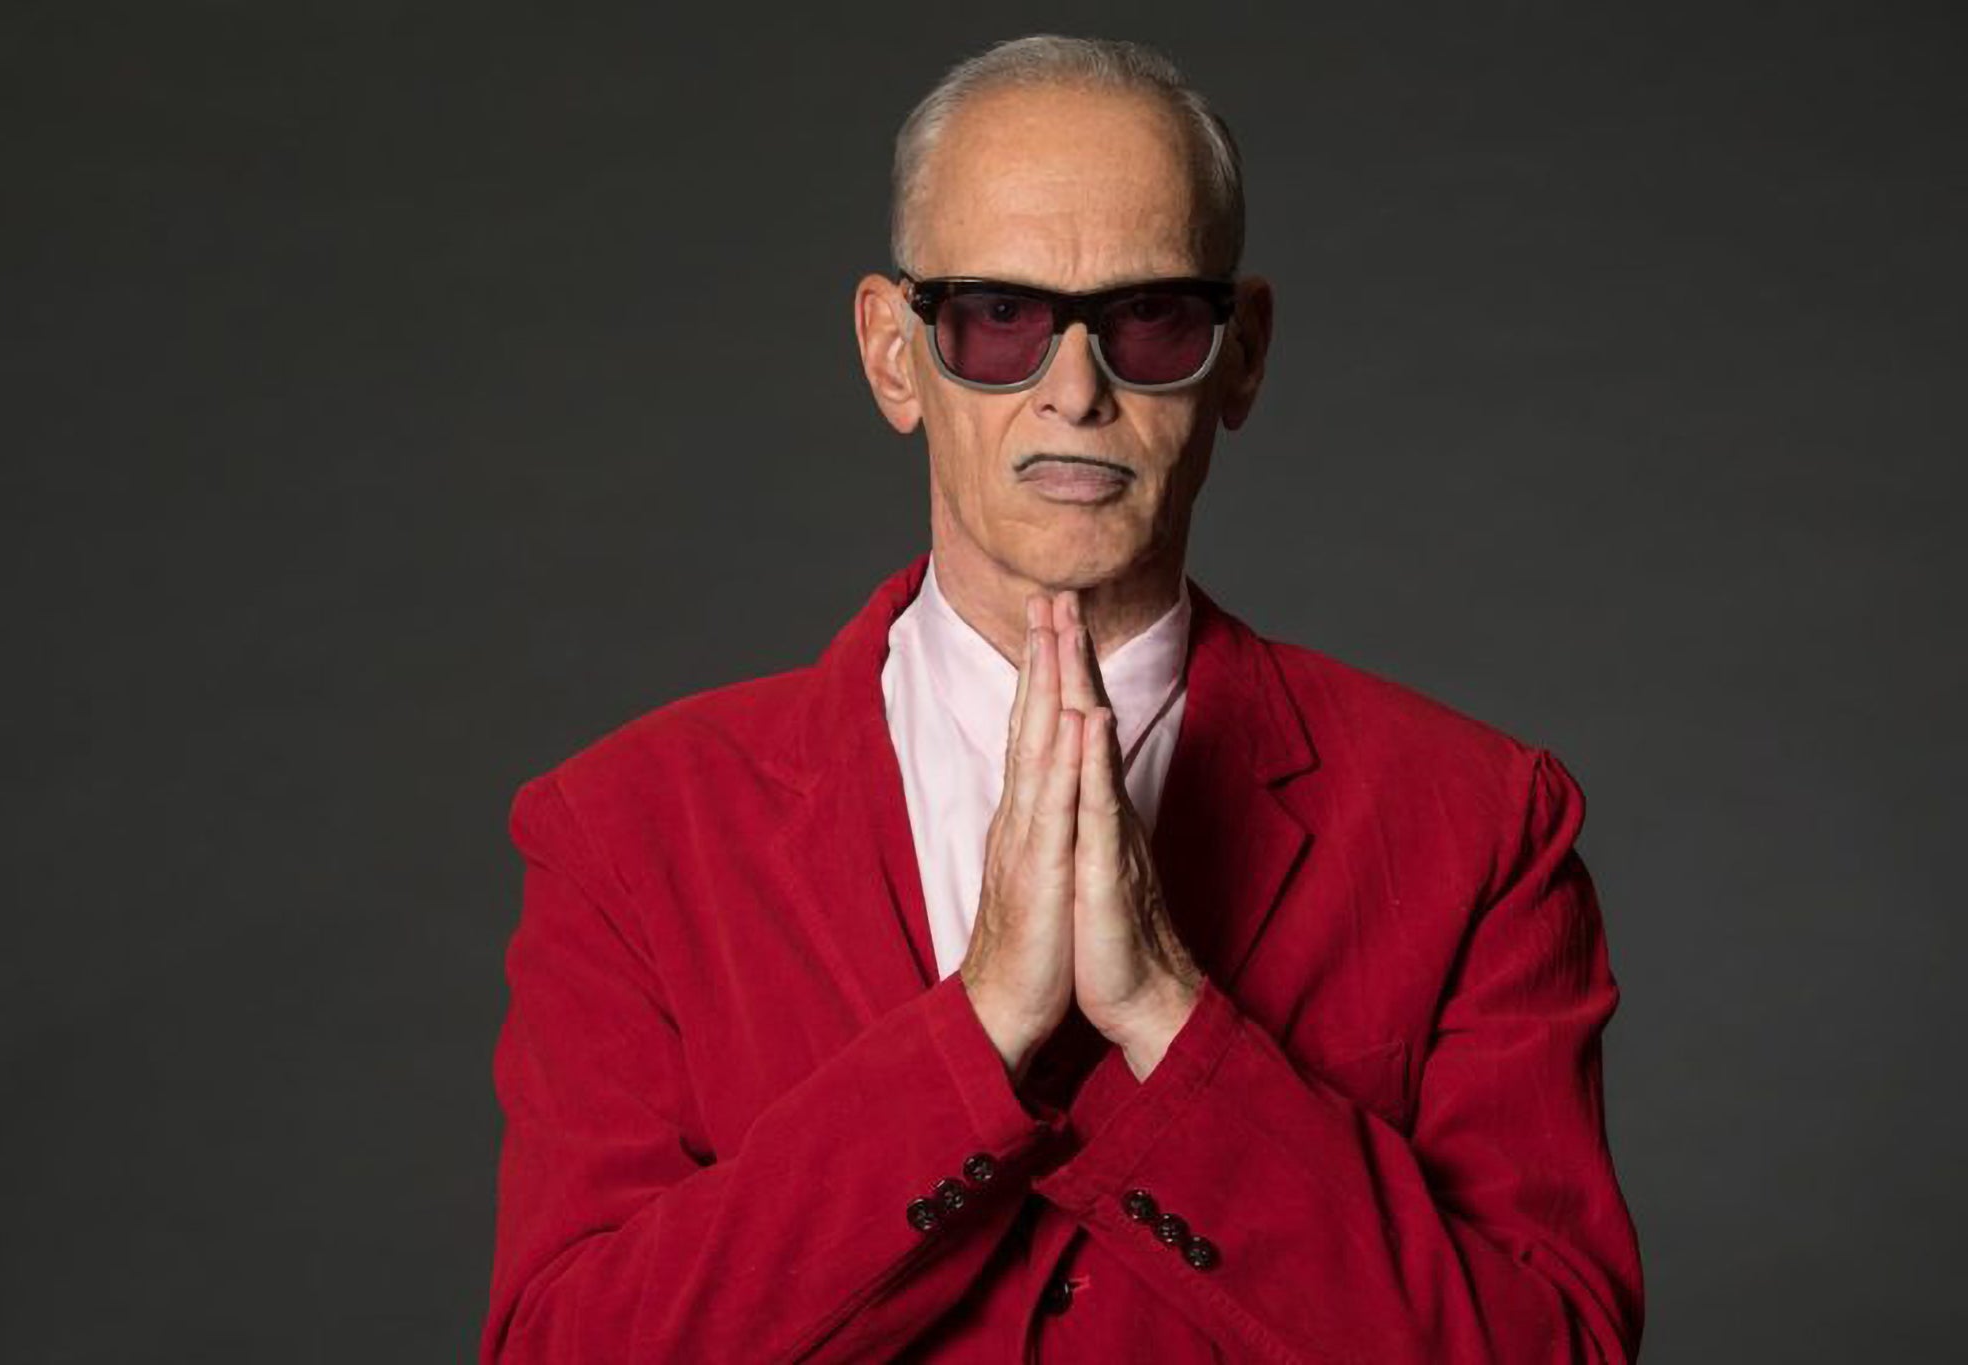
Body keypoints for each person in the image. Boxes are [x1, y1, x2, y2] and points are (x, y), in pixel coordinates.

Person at [481, 33, 1642, 1364]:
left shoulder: (1481, 825)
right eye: (999, 319)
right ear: (893, 354)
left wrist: (1169, 1017)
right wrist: (977, 1029)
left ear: (1242, 356)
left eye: (1151, 320)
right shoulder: (623, 831)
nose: (1076, 391)